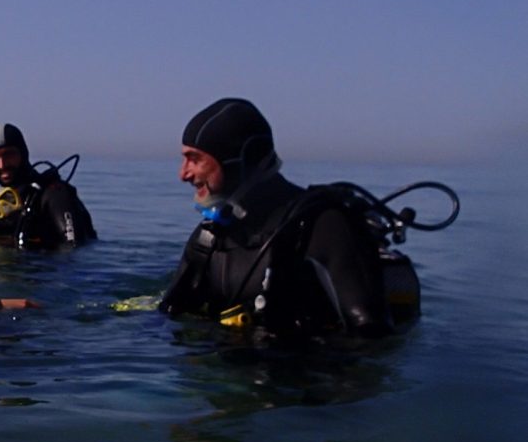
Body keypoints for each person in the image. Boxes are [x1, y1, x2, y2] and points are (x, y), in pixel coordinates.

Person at [158, 98, 409, 338]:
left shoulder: (324, 226)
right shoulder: (210, 237)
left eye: (195, 159)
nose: (183, 174)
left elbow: (371, 340)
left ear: (242, 159)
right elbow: (169, 314)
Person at [0, 123, 96, 249]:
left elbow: (74, 249)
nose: (2, 165)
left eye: (9, 154)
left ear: (23, 153)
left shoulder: (55, 195)